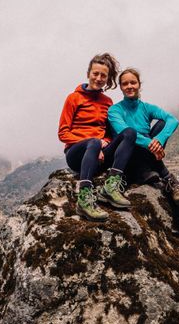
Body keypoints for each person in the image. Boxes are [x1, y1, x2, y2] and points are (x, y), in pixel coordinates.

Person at [58, 52, 137, 221]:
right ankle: (84, 199)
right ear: (88, 74)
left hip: (99, 153)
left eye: (103, 75)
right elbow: (63, 133)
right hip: (76, 154)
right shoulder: (73, 98)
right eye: (96, 73)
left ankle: (111, 187)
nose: (99, 78)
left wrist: (104, 144)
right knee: (93, 142)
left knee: (129, 132)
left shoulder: (107, 102)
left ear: (108, 80)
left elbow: (108, 134)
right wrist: (92, 145)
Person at [107, 68, 179, 203]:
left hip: (146, 152)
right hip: (127, 154)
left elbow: (173, 120)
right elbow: (124, 131)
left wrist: (159, 140)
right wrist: (151, 145)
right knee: (131, 134)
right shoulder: (115, 110)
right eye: (125, 84)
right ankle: (168, 179)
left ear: (139, 84)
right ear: (120, 87)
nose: (129, 86)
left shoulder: (147, 107)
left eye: (133, 82)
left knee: (162, 124)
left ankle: (144, 172)